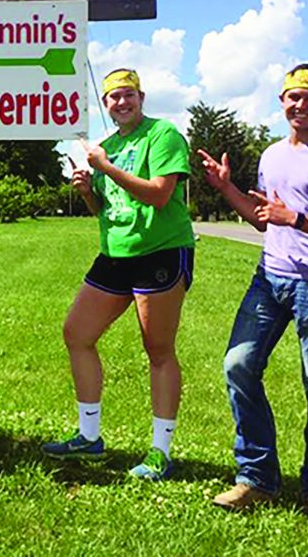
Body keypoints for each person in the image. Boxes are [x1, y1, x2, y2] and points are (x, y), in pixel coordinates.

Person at [198, 64, 308, 529]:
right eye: (293, 97)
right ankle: (257, 477)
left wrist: (299, 219)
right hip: (269, 279)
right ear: (282, 101)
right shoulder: (272, 155)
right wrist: (226, 187)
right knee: (239, 364)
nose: (300, 105)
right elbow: (262, 218)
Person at [40, 68, 194, 481]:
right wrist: (89, 190)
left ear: (141, 97)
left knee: (158, 349)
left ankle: (160, 451)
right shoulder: (106, 145)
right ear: (105, 104)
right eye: (113, 98)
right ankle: (89, 438)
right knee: (77, 333)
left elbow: (161, 194)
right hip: (115, 253)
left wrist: (105, 169)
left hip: (160, 250)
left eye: (128, 95)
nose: (121, 103)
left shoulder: (163, 135)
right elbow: (104, 211)